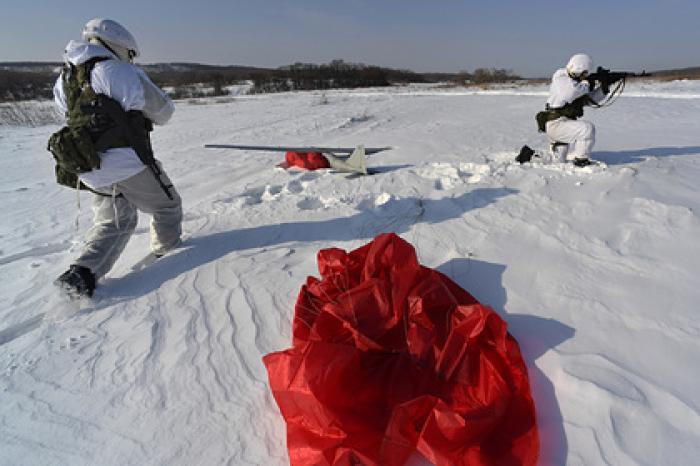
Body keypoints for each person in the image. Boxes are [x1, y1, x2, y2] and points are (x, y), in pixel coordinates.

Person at [49, 18, 182, 297]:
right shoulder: (118, 71)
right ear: (120, 47)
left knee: (115, 222)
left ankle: (81, 274)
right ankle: (171, 259)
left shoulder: (66, 78)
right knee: (167, 206)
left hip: (89, 167)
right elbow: (164, 112)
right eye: (130, 53)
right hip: (127, 163)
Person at [537, 53, 607, 166]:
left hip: (563, 125)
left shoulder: (575, 83)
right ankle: (581, 161)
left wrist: (604, 87)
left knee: (557, 161)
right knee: (587, 129)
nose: (585, 76)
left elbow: (589, 100)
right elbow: (570, 92)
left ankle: (531, 155)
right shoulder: (561, 79)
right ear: (579, 69)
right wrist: (590, 82)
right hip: (556, 124)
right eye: (585, 73)